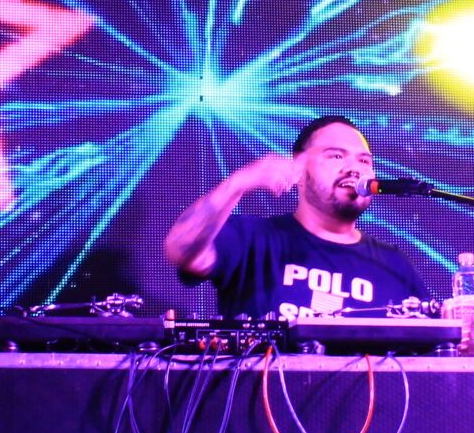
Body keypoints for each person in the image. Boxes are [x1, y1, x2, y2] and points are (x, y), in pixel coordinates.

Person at [164, 114, 427, 318]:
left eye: (364, 161)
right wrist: (238, 183)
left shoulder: (394, 264)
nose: (354, 169)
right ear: (298, 170)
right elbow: (179, 249)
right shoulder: (250, 237)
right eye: (336, 156)